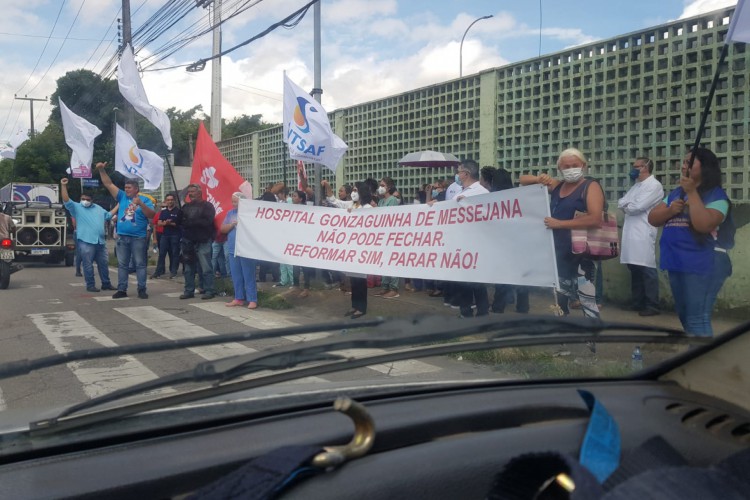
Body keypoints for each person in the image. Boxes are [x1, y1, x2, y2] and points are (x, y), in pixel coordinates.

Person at [648, 147, 730, 336]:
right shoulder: (676, 193)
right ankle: (698, 353)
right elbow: (653, 218)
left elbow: (703, 225)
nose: (683, 166)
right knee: (685, 314)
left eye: (689, 163)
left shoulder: (717, 196)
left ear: (705, 168)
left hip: (702, 264)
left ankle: (703, 361)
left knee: (697, 317)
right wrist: (670, 211)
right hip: (676, 261)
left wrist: (692, 194)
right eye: (683, 162)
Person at [520, 148, 605, 318]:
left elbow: (595, 219)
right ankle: (563, 334)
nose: (571, 169)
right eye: (566, 166)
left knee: (587, 300)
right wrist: (539, 178)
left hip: (583, 255)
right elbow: (522, 180)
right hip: (559, 252)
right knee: (561, 298)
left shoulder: (590, 186)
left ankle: (592, 337)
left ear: (584, 166)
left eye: (575, 165)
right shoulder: (558, 186)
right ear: (560, 169)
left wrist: (560, 224)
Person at [96, 162, 156, 299]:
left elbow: (152, 215)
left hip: (138, 237)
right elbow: (108, 184)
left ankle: (142, 289)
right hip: (122, 237)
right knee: (122, 265)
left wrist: (140, 204)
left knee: (140, 264)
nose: (126, 189)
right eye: (125, 187)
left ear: (136, 189)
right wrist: (101, 170)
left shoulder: (145, 200)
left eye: (129, 187)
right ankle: (122, 289)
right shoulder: (122, 196)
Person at [618, 157, 664, 316]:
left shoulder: (654, 186)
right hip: (631, 231)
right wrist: (628, 205)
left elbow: (637, 207)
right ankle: (637, 302)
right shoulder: (637, 186)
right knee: (634, 268)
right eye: (633, 166)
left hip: (644, 230)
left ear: (645, 167)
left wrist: (628, 206)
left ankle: (652, 305)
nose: (634, 168)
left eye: (636, 166)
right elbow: (621, 202)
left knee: (646, 268)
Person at [60, 178, 115, 293]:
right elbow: (66, 200)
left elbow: (108, 215)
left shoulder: (98, 208)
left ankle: (106, 283)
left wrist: (120, 204)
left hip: (100, 241)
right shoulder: (77, 207)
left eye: (87, 199)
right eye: (83, 199)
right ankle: (90, 285)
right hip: (86, 240)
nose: (85, 201)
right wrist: (63, 186)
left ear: (92, 200)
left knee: (103, 264)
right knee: (88, 264)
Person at [451, 159, 490, 318]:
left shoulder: (481, 193)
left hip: (475, 243)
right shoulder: (462, 192)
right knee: (465, 280)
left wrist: (468, 204)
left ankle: (477, 312)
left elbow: (487, 217)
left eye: (459, 171)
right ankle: (471, 311)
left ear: (465, 174)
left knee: (475, 281)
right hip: (461, 241)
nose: (457, 175)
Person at [177, 184, 216, 300]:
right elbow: (180, 222)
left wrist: (190, 222)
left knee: (206, 268)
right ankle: (189, 290)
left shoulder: (208, 206)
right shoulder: (185, 207)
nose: (190, 194)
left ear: (199, 192)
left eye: (193, 191)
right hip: (188, 241)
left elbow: (207, 221)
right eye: (189, 192)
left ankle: (209, 290)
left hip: (203, 240)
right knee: (188, 268)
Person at [222, 192, 258, 309]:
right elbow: (223, 229)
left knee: (248, 274)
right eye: (232, 201)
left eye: (235, 202)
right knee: (236, 275)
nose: (233, 204)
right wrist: (232, 225)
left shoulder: (249, 213)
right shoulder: (230, 213)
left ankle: (252, 299)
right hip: (233, 248)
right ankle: (239, 298)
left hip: (246, 248)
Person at [345, 182, 373, 319]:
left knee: (360, 281)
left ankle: (361, 308)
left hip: (362, 249)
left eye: (355, 190)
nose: (353, 192)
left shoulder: (367, 207)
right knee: (353, 280)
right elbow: (336, 203)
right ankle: (354, 305)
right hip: (352, 247)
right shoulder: (352, 205)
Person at [375, 177, 401, 298]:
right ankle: (384, 286)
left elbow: (391, 218)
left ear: (389, 187)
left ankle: (394, 288)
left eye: (382, 185)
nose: (380, 187)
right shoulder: (380, 202)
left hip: (391, 236)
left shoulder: (393, 200)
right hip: (382, 236)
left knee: (392, 262)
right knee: (384, 261)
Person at [154, 193, 181, 279]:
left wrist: (170, 223)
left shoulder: (178, 211)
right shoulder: (163, 212)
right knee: (161, 254)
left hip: (175, 235)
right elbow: (158, 223)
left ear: (174, 201)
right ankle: (158, 272)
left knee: (174, 254)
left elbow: (179, 224)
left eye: (171, 200)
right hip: (164, 235)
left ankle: (173, 271)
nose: (170, 201)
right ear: (166, 201)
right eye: (168, 200)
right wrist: (165, 223)